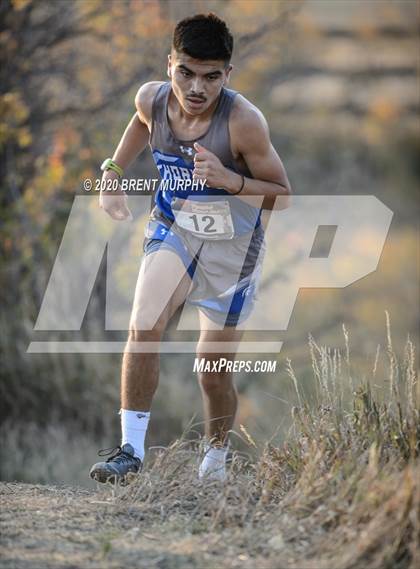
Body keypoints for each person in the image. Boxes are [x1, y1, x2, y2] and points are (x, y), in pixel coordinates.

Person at [89, 13, 291, 484]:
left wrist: (231, 179)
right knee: (144, 324)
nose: (196, 87)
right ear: (169, 65)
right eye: (186, 72)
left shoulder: (244, 122)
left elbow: (283, 195)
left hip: (231, 249)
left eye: (211, 76)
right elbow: (141, 122)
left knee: (212, 371)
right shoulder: (151, 99)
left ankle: (216, 462)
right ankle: (130, 454)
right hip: (174, 228)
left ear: (227, 75)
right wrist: (113, 173)